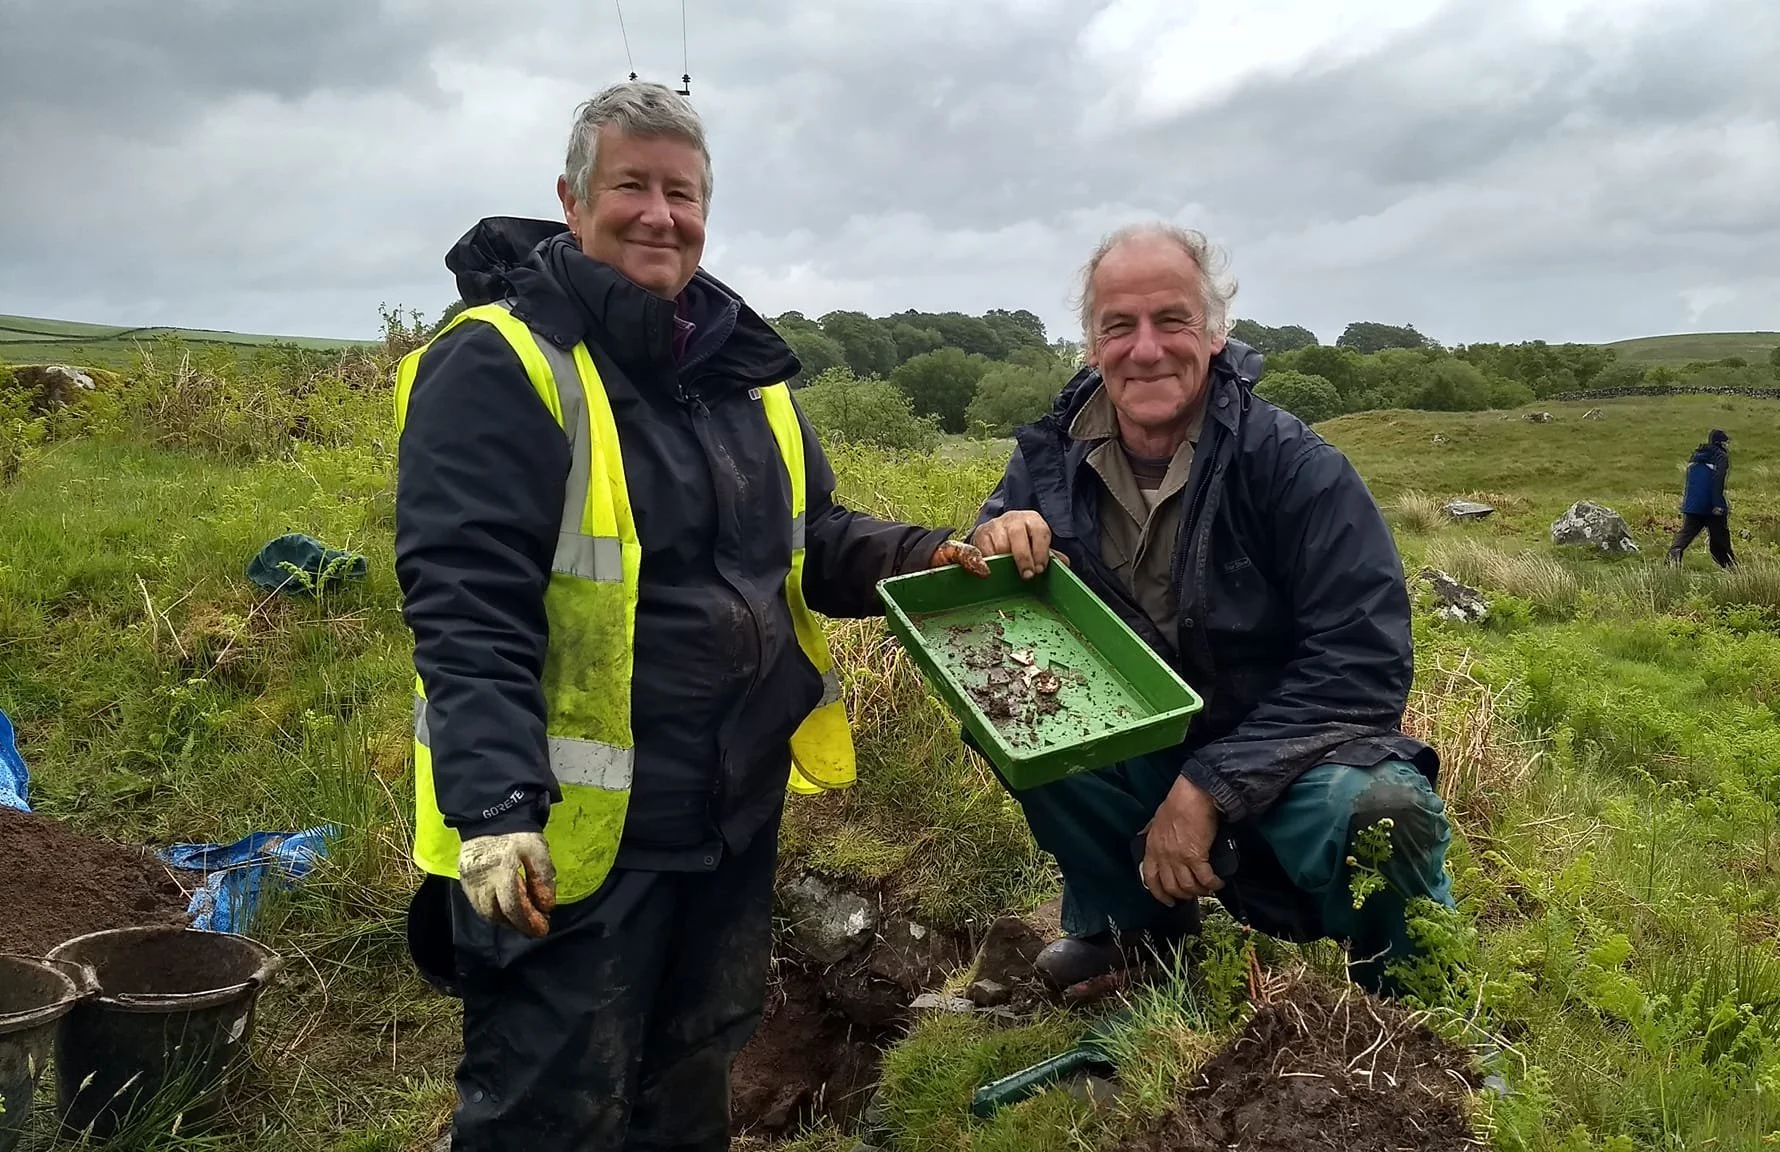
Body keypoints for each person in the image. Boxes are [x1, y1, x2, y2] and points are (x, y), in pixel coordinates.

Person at [393, 81, 986, 1152]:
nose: (659, 214)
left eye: (683, 192)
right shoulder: (504, 361)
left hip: (728, 813)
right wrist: (495, 809)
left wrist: (931, 554)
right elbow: (466, 600)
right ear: (573, 202)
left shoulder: (743, 374)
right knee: (551, 1105)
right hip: (566, 841)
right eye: (632, 186)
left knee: (691, 1077)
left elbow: (807, 541)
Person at [969, 224, 1454, 999]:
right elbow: (986, 610)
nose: (1146, 348)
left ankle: (1419, 1005)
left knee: (1386, 805)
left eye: (1173, 320)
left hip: (1289, 755)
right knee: (1009, 700)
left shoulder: (1296, 469)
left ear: (1217, 333)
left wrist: (1208, 788)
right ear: (1091, 346)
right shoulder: (1047, 462)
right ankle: (1134, 937)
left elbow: (1362, 666)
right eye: (1118, 326)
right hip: (1148, 745)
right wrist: (993, 542)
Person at [1668, 428, 1735, 568]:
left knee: (1686, 534)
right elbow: (1718, 481)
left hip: (1692, 504)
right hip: (1711, 505)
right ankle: (1731, 569)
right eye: (1726, 442)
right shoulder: (1721, 457)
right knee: (1720, 539)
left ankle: (1673, 557)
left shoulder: (1696, 456)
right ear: (1721, 443)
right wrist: (1719, 504)